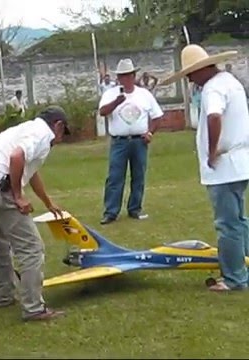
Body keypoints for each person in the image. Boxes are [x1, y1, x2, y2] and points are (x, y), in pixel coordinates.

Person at [161, 44, 249, 291]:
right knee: (239, 221)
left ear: (202, 69)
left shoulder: (213, 88)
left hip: (224, 168)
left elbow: (213, 116)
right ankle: (244, 269)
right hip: (240, 164)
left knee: (228, 224)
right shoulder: (230, 81)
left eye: (190, 74)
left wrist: (211, 152)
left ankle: (234, 279)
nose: (189, 79)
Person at [0, 105, 69, 321]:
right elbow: (17, 157)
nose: (59, 139)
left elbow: (29, 170)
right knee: (32, 248)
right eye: (63, 133)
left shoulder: (25, 129)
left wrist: (48, 202)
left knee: (1, 244)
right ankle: (34, 308)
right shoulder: (43, 133)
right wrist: (18, 196)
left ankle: (4, 295)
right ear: (58, 125)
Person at [99, 58, 164, 225]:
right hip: (119, 141)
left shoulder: (144, 94)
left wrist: (150, 132)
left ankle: (135, 208)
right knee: (115, 177)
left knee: (138, 175)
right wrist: (116, 102)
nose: (125, 79)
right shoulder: (110, 94)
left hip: (139, 141)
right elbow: (103, 112)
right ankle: (111, 212)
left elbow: (157, 116)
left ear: (134, 76)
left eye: (128, 75)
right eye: (122, 76)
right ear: (118, 78)